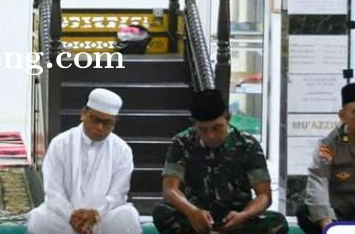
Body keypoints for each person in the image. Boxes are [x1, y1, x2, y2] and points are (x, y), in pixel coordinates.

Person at [152, 88, 288, 234]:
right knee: (162, 212)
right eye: (203, 130)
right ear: (193, 123)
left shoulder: (247, 144)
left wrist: (244, 215)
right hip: (197, 217)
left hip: (236, 218)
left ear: (228, 118)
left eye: (217, 128)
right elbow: (170, 189)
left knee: (277, 222)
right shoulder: (181, 142)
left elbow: (264, 195)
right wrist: (192, 212)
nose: (211, 135)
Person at [26, 88, 141, 234]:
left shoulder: (122, 150)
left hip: (101, 219)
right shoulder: (60, 143)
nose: (100, 128)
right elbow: (53, 191)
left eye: (107, 123)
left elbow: (118, 194)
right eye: (95, 120)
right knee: (38, 219)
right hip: (65, 219)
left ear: (114, 123)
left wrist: (95, 214)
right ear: (83, 114)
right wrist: (72, 216)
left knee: (128, 216)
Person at [296, 83, 355, 233]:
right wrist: (327, 225)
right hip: (338, 210)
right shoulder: (329, 145)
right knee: (305, 211)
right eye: (354, 112)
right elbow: (318, 182)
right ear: (342, 116)